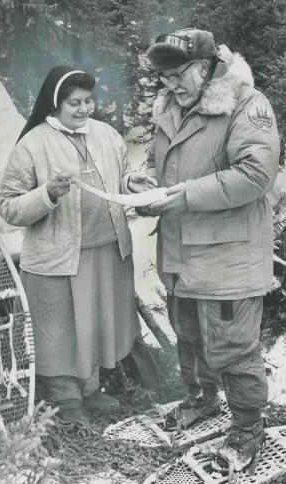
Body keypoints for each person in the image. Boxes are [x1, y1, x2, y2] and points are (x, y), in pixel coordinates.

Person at [142, 28, 280, 471]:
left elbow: (256, 176)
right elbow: (155, 164)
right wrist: (141, 184)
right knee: (190, 334)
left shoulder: (247, 104)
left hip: (229, 257)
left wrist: (182, 193)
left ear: (206, 67)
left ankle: (246, 429)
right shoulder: (169, 106)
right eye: (163, 78)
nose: (171, 85)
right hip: (180, 253)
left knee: (234, 349)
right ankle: (201, 398)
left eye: (178, 74)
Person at [0, 65, 156, 426]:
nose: (84, 109)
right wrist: (46, 194)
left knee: (97, 324)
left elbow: (118, 176)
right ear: (55, 104)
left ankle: (90, 388)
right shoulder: (32, 144)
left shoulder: (106, 134)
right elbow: (7, 206)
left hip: (107, 250)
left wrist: (131, 183)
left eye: (88, 101)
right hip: (59, 257)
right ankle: (66, 399)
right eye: (74, 103)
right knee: (62, 329)